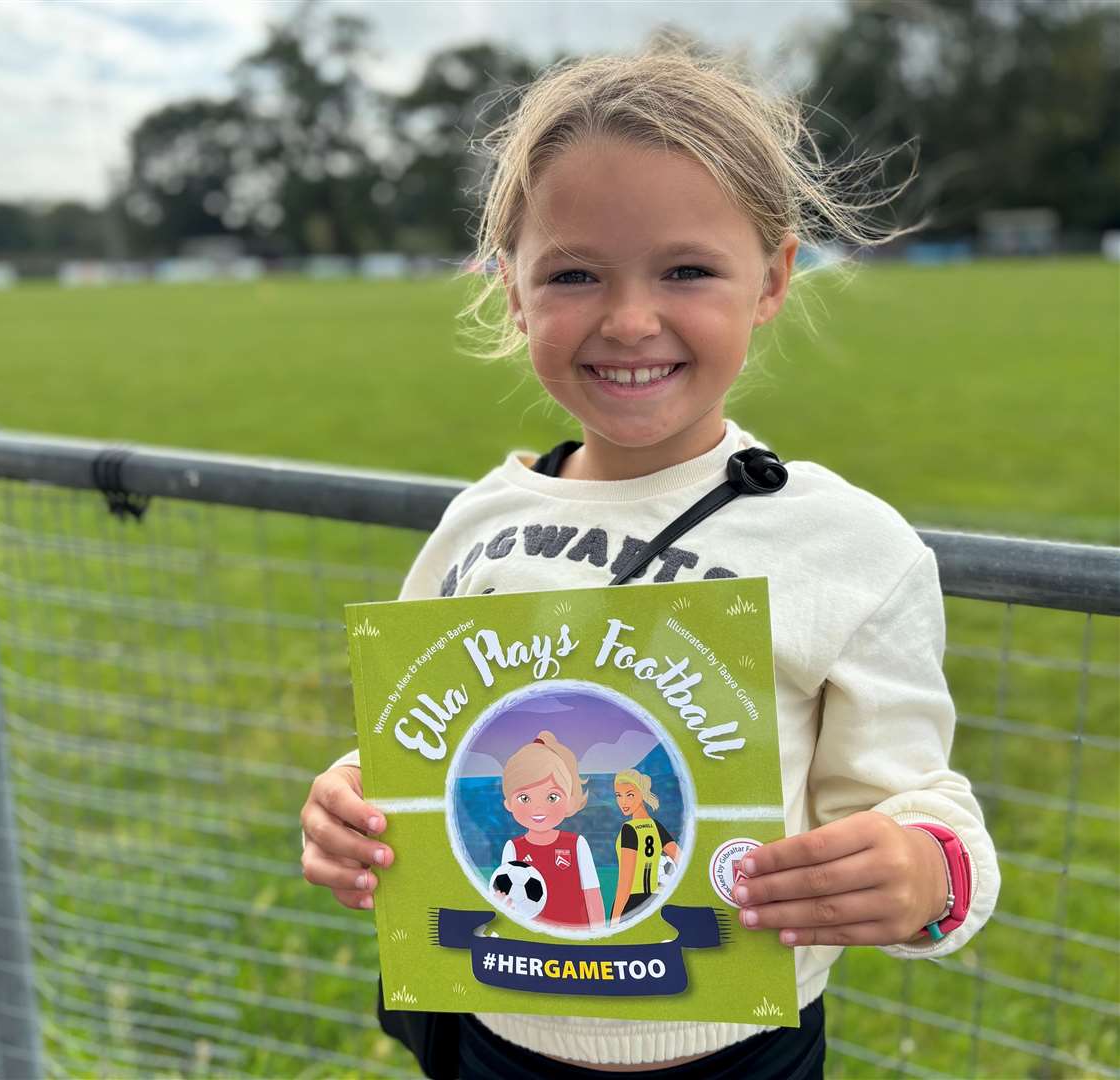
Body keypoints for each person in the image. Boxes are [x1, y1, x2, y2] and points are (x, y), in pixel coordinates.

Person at [300, 42, 1000, 1078]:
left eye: (685, 270)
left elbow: (919, 803)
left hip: (736, 1050)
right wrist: (348, 806)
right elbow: (420, 760)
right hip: (498, 1039)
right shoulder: (474, 528)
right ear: (511, 293)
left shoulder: (848, 546)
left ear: (772, 277)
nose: (630, 320)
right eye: (574, 274)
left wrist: (922, 873)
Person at [495, 731, 605, 930]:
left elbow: (592, 894)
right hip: (535, 945)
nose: (538, 808)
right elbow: (508, 903)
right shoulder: (513, 848)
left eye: (552, 797)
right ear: (509, 803)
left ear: (569, 800)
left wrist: (598, 937)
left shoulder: (576, 844)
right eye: (524, 798)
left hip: (576, 940)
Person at [610, 770, 681, 924]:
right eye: (618, 795)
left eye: (629, 795)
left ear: (641, 794)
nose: (623, 802)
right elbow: (682, 860)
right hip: (654, 901)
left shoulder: (629, 829)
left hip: (632, 903)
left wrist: (614, 920)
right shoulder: (656, 826)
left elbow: (625, 882)